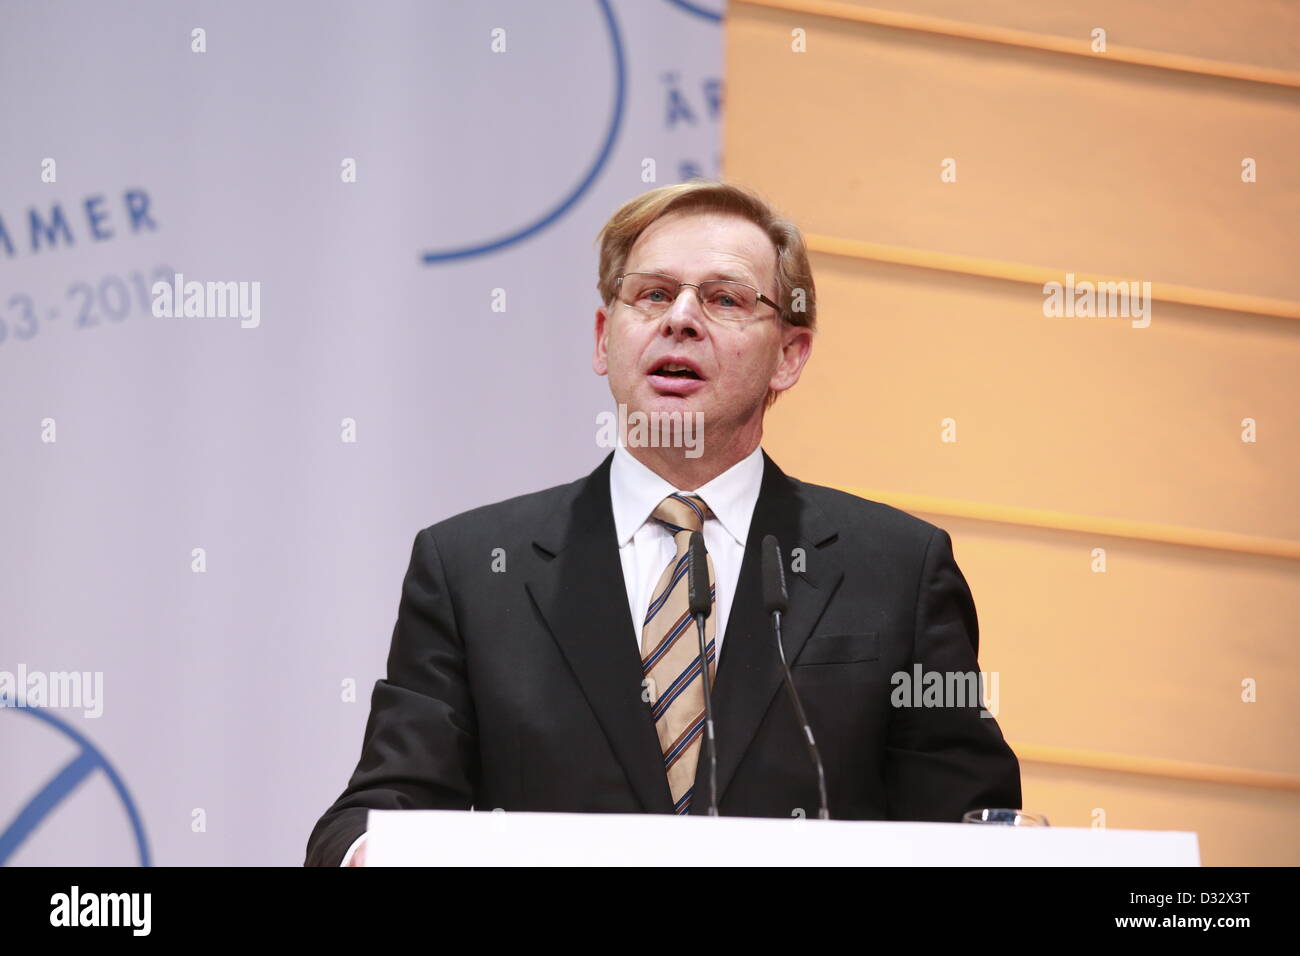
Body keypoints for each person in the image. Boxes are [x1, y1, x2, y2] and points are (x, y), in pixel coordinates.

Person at [304, 180, 1021, 867]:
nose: (680, 317)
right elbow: (378, 810)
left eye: (725, 298)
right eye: (652, 294)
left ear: (789, 356)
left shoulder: (897, 569)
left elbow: (972, 826)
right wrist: (375, 855)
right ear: (601, 338)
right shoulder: (471, 569)